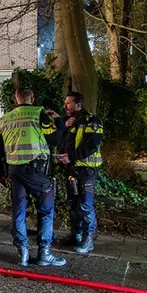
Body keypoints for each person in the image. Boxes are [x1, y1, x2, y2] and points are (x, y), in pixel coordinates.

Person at [0, 88, 65, 267]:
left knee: (19, 211)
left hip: (15, 172)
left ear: (15, 99)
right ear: (32, 98)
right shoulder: (38, 113)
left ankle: (23, 253)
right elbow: (55, 139)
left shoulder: (4, 119)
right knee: (46, 211)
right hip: (37, 172)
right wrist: (58, 119)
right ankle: (44, 254)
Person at [56, 91, 103, 255]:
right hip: (72, 170)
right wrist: (65, 128)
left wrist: (71, 157)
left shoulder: (92, 121)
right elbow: (62, 142)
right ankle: (75, 235)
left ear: (78, 104)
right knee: (73, 203)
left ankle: (88, 239)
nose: (65, 106)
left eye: (68, 103)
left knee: (85, 204)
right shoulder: (69, 122)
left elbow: (92, 146)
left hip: (87, 171)